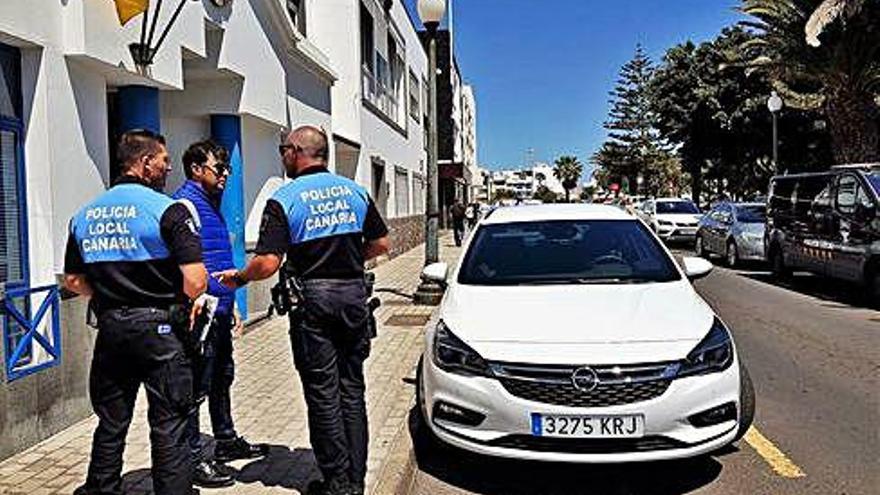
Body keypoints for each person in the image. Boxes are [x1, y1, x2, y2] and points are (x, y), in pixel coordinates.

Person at [215, 126, 390, 495]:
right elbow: (381, 243)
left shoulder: (286, 198)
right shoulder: (355, 191)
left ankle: (336, 484)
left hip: (313, 304)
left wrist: (239, 278)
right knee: (352, 390)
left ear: (297, 152)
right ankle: (355, 483)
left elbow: (267, 262)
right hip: (353, 299)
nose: (282, 156)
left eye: (283, 150)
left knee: (323, 394)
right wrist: (344, 263)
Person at [65, 129, 207, 495]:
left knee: (111, 422)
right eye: (163, 160)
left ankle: (102, 488)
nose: (168, 167)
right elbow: (195, 280)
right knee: (169, 423)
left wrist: (108, 298)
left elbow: (73, 280)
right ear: (145, 164)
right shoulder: (168, 210)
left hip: (111, 329)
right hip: (160, 330)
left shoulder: (84, 215)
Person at [172, 141, 268, 488]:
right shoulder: (184, 206)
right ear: (197, 169)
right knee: (198, 387)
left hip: (221, 312)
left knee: (222, 377)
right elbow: (184, 265)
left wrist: (234, 307)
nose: (226, 173)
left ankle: (225, 440)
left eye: (227, 167)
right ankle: (195, 458)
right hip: (201, 316)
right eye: (219, 167)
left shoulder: (212, 205)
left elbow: (220, 261)